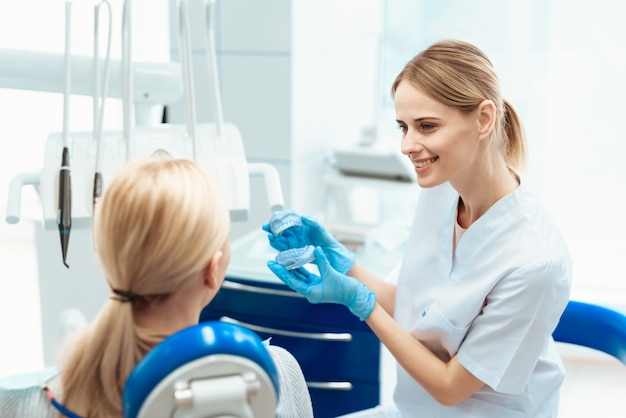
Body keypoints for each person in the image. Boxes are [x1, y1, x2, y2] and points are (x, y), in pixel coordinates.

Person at [264, 39, 572, 417]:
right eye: (403, 127)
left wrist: (361, 304)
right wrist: (345, 266)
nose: (408, 145)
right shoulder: (443, 189)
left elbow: (450, 387)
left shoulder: (535, 260)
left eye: (426, 126)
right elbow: (423, 311)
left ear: (484, 119)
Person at [0, 156, 313, 418]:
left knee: (70, 322)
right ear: (212, 270)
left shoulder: (25, 406)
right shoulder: (275, 379)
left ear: (112, 268)